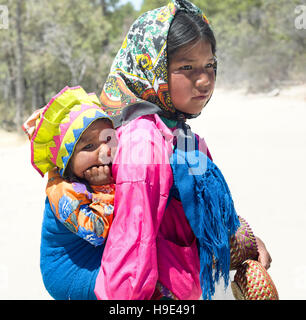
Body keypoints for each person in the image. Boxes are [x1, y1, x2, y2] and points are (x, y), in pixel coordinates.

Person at [93, 0, 271, 300]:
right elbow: (131, 251)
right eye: (186, 68)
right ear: (153, 68)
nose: (204, 80)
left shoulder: (179, 131)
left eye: (210, 66)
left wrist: (246, 241)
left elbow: (205, 207)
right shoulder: (143, 140)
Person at [23, 86, 117, 299]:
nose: (105, 151)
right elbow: (96, 232)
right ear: (66, 160)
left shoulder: (93, 171)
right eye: (89, 146)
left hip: (93, 256)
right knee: (131, 281)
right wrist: (104, 189)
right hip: (69, 273)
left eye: (108, 139)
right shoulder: (61, 190)